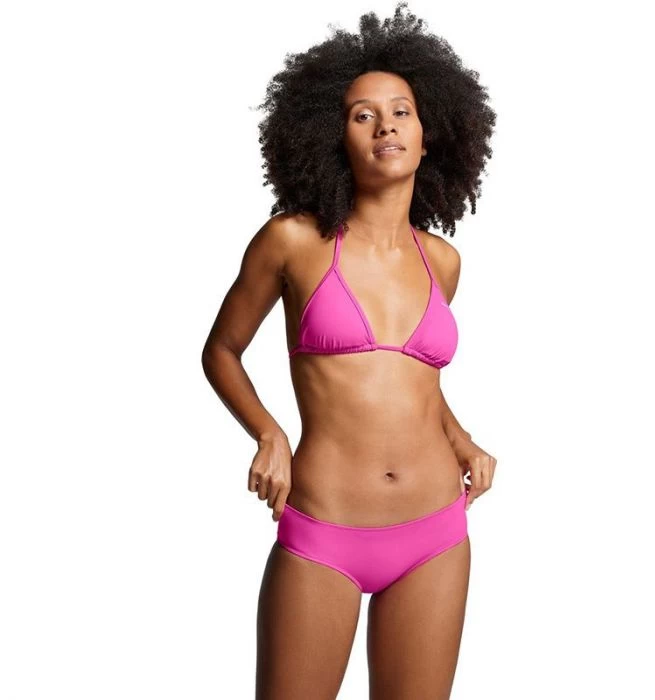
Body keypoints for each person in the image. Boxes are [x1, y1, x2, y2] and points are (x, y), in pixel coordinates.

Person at [201, 3, 498, 698]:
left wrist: (462, 440)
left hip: (435, 530)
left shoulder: (442, 262)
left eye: (401, 112)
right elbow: (222, 350)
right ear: (335, 138)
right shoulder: (292, 241)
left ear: (429, 136)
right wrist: (269, 433)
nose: (385, 125)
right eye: (363, 115)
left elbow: (411, 379)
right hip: (325, 528)